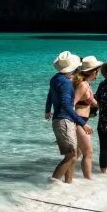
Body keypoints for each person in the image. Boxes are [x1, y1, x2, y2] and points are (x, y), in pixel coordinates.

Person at [44, 51, 85, 184]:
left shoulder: (55, 78)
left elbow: (50, 95)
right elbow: (66, 105)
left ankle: (68, 184)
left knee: (70, 155)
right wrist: (82, 123)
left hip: (59, 120)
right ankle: (51, 185)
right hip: (64, 121)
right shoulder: (66, 83)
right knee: (72, 156)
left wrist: (47, 110)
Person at [71, 56, 102, 180]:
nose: (98, 74)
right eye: (97, 71)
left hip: (81, 121)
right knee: (88, 153)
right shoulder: (83, 85)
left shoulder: (85, 83)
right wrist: (79, 124)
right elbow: (71, 104)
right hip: (79, 121)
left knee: (76, 154)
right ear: (94, 71)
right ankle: (88, 181)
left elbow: (93, 101)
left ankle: (67, 180)